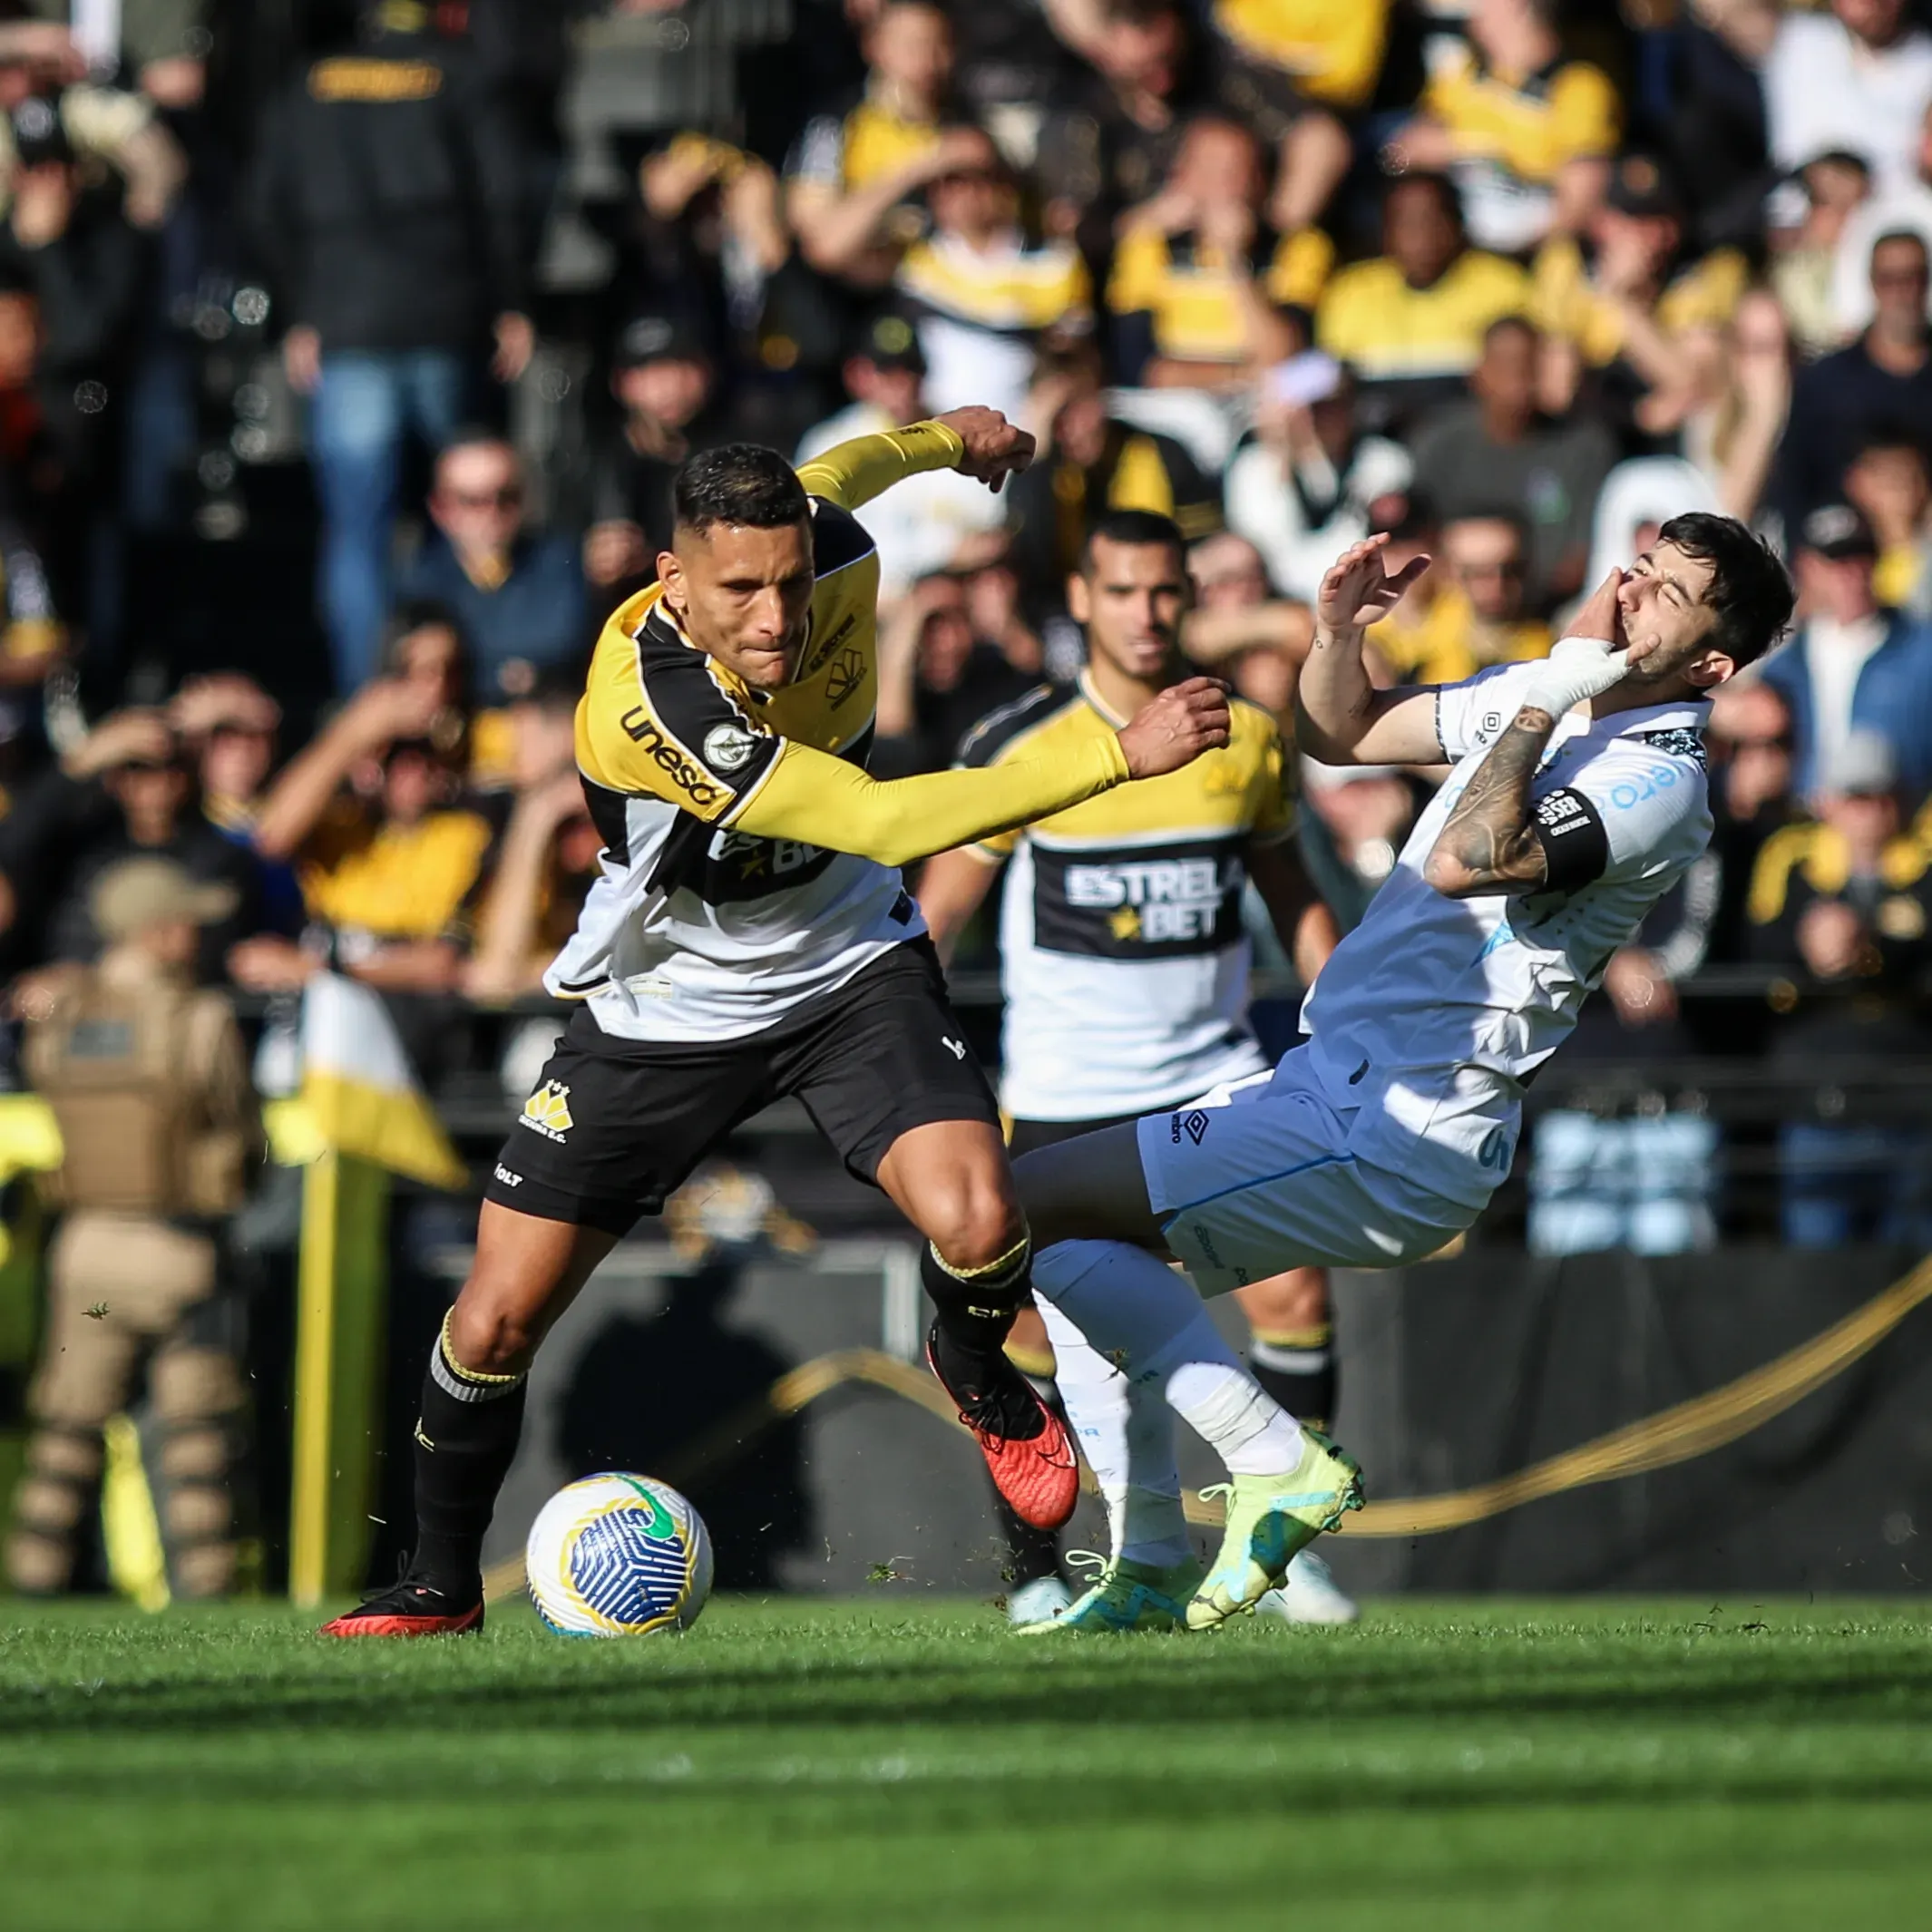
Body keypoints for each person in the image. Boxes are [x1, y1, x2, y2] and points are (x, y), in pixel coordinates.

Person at [318, 407, 1234, 1636]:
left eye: (789, 581)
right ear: (670, 582)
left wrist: (949, 441)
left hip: (846, 960)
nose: (773, 617)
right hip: (666, 998)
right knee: (492, 1316)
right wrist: (1118, 756)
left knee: (979, 1214)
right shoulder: (648, 699)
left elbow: (844, 472)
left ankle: (968, 1365)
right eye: (737, 589)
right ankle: (439, 1580)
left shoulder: (825, 545)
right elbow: (890, 820)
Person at [1004, 513, 1796, 1629]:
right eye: (1640, 567)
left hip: (1403, 1126)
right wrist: (1336, 633)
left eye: (1669, 594)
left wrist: (1548, 692)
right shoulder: (1556, 689)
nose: (1629, 593)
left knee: (1024, 1210)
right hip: (1335, 1087)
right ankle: (1148, 1560)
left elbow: (1464, 857)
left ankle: (1271, 1459)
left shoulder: (1658, 775)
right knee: (1070, 1251)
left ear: (1712, 663)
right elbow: (1342, 730)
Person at [918, 507, 1350, 1630]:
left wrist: (1345, 1026)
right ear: (1081, 600)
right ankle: (1041, 1573)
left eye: (1166, 591)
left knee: (1295, 1288)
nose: (1148, 613)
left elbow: (1293, 894)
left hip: (1211, 1081)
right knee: (1037, 1339)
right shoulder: (1023, 745)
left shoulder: (1247, 739)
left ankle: (1287, 1547)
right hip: (1063, 1095)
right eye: (1123, 591)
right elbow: (934, 918)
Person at [248, 10, 534, 694]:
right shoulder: (459, 74)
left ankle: (363, 702)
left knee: (356, 535)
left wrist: (302, 309)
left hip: (345, 322)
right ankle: (461, 691)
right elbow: (506, 194)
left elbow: (263, 203)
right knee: (464, 517)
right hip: (443, 315)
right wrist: (512, 298)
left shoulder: (310, 82)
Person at [5, 858, 260, 1599]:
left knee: (63, 1445)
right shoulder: (200, 1019)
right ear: (158, 930)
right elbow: (241, 1138)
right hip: (178, 1251)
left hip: (84, 1250)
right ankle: (210, 1605)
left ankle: (30, 1596)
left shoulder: (60, 1016)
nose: (198, 933)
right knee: (196, 1453)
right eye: (186, 920)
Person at [1745, 730, 1932, 1247]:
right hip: (1818, 1095)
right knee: (1817, 1260)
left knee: (1909, 1275)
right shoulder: (1792, 860)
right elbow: (1757, 945)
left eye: (1882, 796)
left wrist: (1869, 947)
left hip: (1912, 1099)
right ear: (1828, 801)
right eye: (1856, 796)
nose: (1869, 812)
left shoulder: (1925, 867)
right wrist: (1808, 943)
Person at [1384, 0, 1620, 257]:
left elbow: (1577, 208)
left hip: (1524, 256)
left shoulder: (1579, 88)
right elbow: (1400, 154)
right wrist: (1464, 147)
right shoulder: (1463, 75)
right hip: (1453, 250)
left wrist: (1480, 150)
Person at [1410, 316, 1613, 610]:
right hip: (1450, 609)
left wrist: (1509, 584)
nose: (1519, 378)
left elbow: (1583, 557)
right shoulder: (1438, 443)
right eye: (1506, 365)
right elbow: (1419, 546)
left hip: (1550, 611)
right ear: (1478, 374)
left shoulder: (1584, 445)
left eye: (1529, 365)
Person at [892, 124, 1089, 422]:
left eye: (977, 178)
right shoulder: (915, 260)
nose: (962, 193)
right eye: (948, 180)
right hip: (932, 427)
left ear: (1005, 184)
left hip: (1024, 426)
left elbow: (1075, 360)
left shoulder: (1055, 264)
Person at [1314, 171, 1530, 432]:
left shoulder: (1503, 286)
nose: (1422, 235)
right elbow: (1333, 382)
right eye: (1406, 222)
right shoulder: (1351, 292)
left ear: (1457, 225)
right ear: (1385, 232)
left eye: (1433, 219)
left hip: (1474, 438)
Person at [395, 433, 586, 704]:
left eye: (506, 497)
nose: (492, 513)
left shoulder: (558, 559)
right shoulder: (420, 576)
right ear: (440, 509)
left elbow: (565, 643)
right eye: (472, 501)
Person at [1758, 501, 1932, 799]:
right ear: (1809, 568)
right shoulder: (1786, 666)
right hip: (1804, 822)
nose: (1853, 575)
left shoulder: (1921, 650)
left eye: (1862, 558)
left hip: (1901, 824)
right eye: (1837, 562)